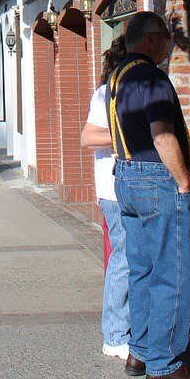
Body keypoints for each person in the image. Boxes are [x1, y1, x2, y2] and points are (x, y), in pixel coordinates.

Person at [108, 11, 190, 379]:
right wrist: (183, 181)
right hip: (155, 178)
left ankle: (141, 350)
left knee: (142, 268)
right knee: (173, 270)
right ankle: (165, 363)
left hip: (126, 174)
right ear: (151, 38)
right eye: (166, 36)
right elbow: (163, 135)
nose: (169, 44)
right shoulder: (151, 76)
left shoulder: (118, 75)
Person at [80, 35, 130, 360]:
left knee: (130, 259)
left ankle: (127, 329)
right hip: (114, 189)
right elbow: (87, 137)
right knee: (123, 259)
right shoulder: (106, 94)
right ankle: (114, 335)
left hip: (131, 186)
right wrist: (126, 135)